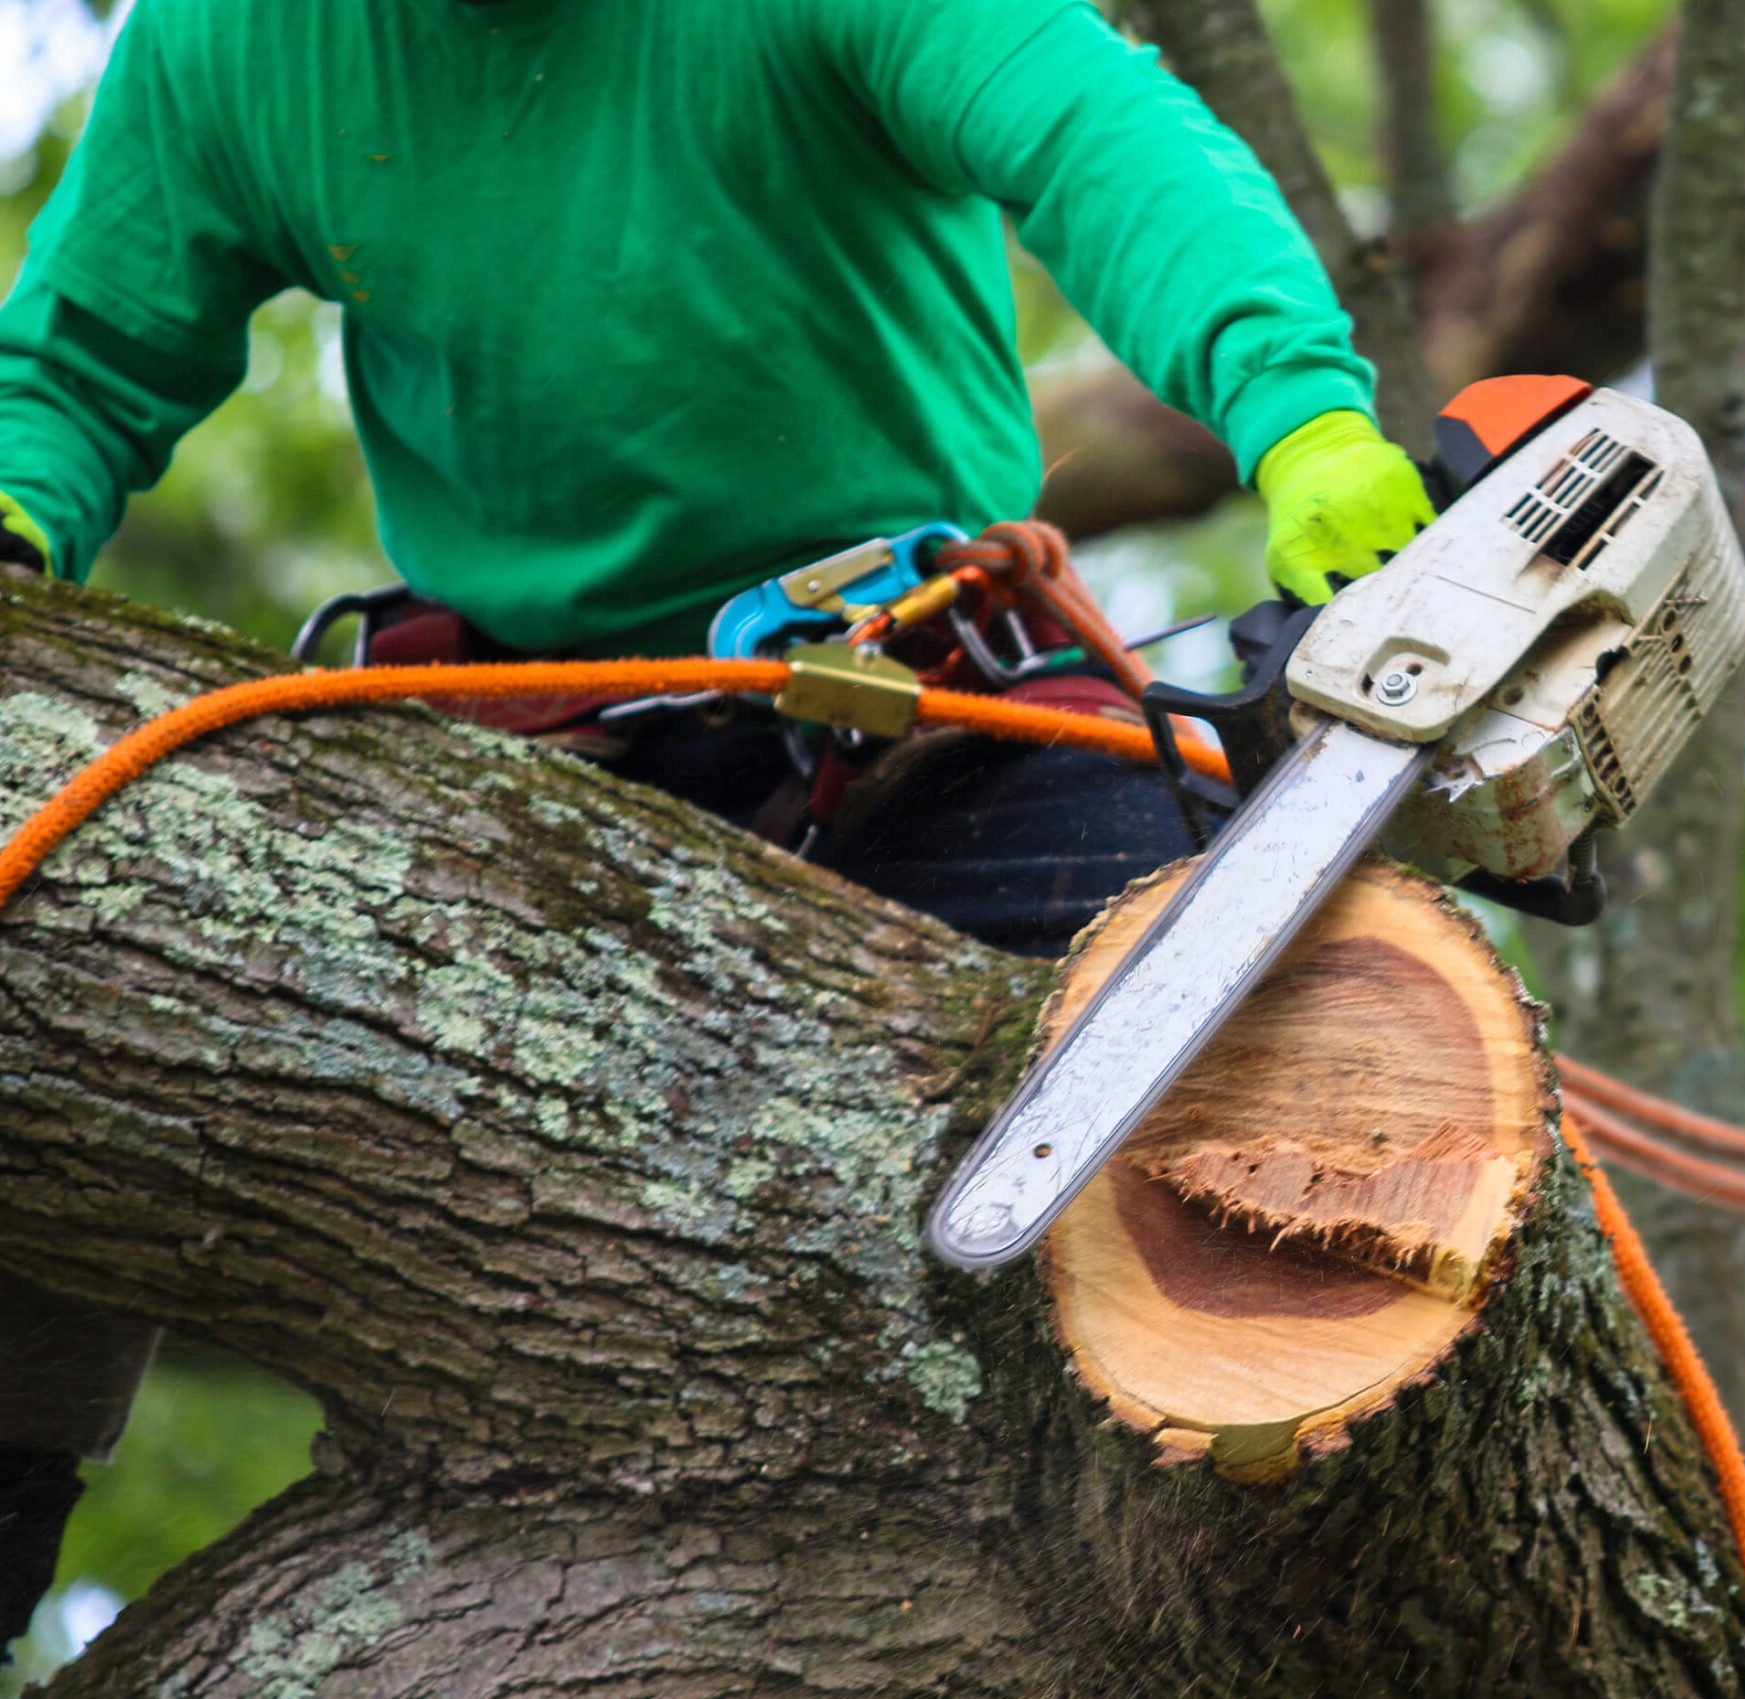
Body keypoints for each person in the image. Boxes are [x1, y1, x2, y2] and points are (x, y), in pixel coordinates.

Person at [0, 0, 1437, 1662]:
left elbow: (1100, 136)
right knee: (69, 959)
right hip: (516, 787)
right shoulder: (241, 41)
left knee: (1280, 1103)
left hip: (941, 730)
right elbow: (82, 359)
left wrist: (1297, 411)